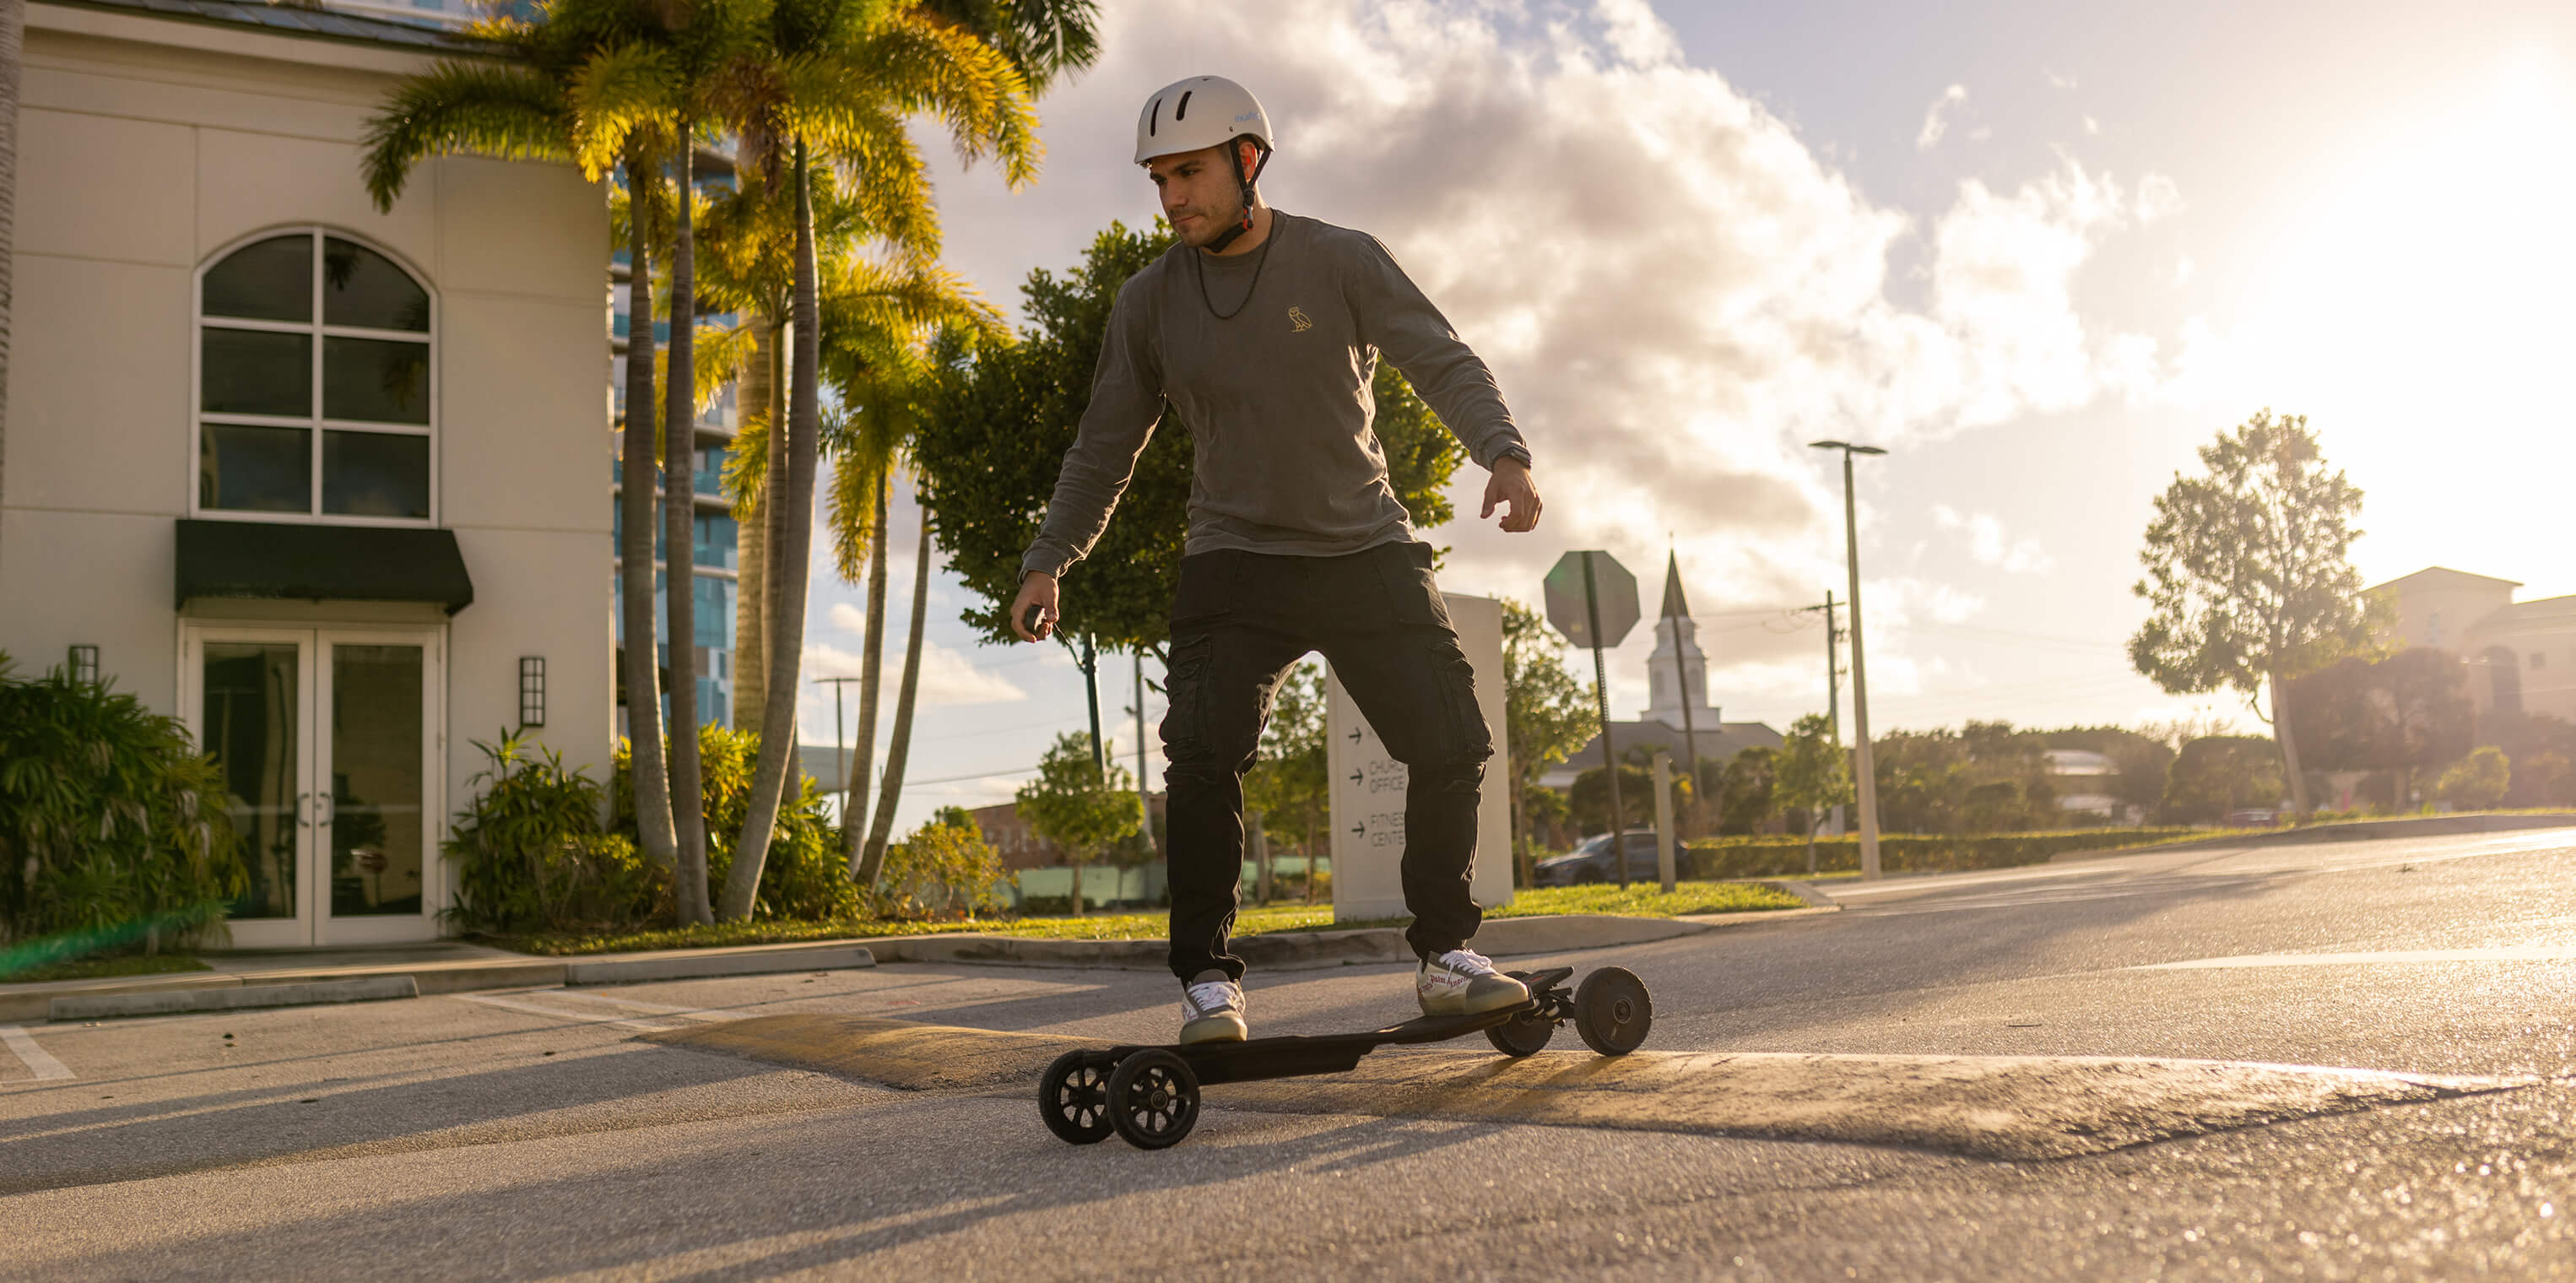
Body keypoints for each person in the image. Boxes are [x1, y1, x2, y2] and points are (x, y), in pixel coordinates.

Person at [1010, 75, 1544, 1044]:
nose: (1172, 197)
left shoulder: (1338, 259)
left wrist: (1502, 453)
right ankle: (1206, 982)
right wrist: (1050, 559)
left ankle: (1445, 954)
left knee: (1451, 739)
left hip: (1363, 547)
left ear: (1247, 160)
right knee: (1201, 757)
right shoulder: (1149, 302)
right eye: (1159, 179)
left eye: (1190, 173)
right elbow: (1103, 446)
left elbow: (1439, 357)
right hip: (1233, 561)